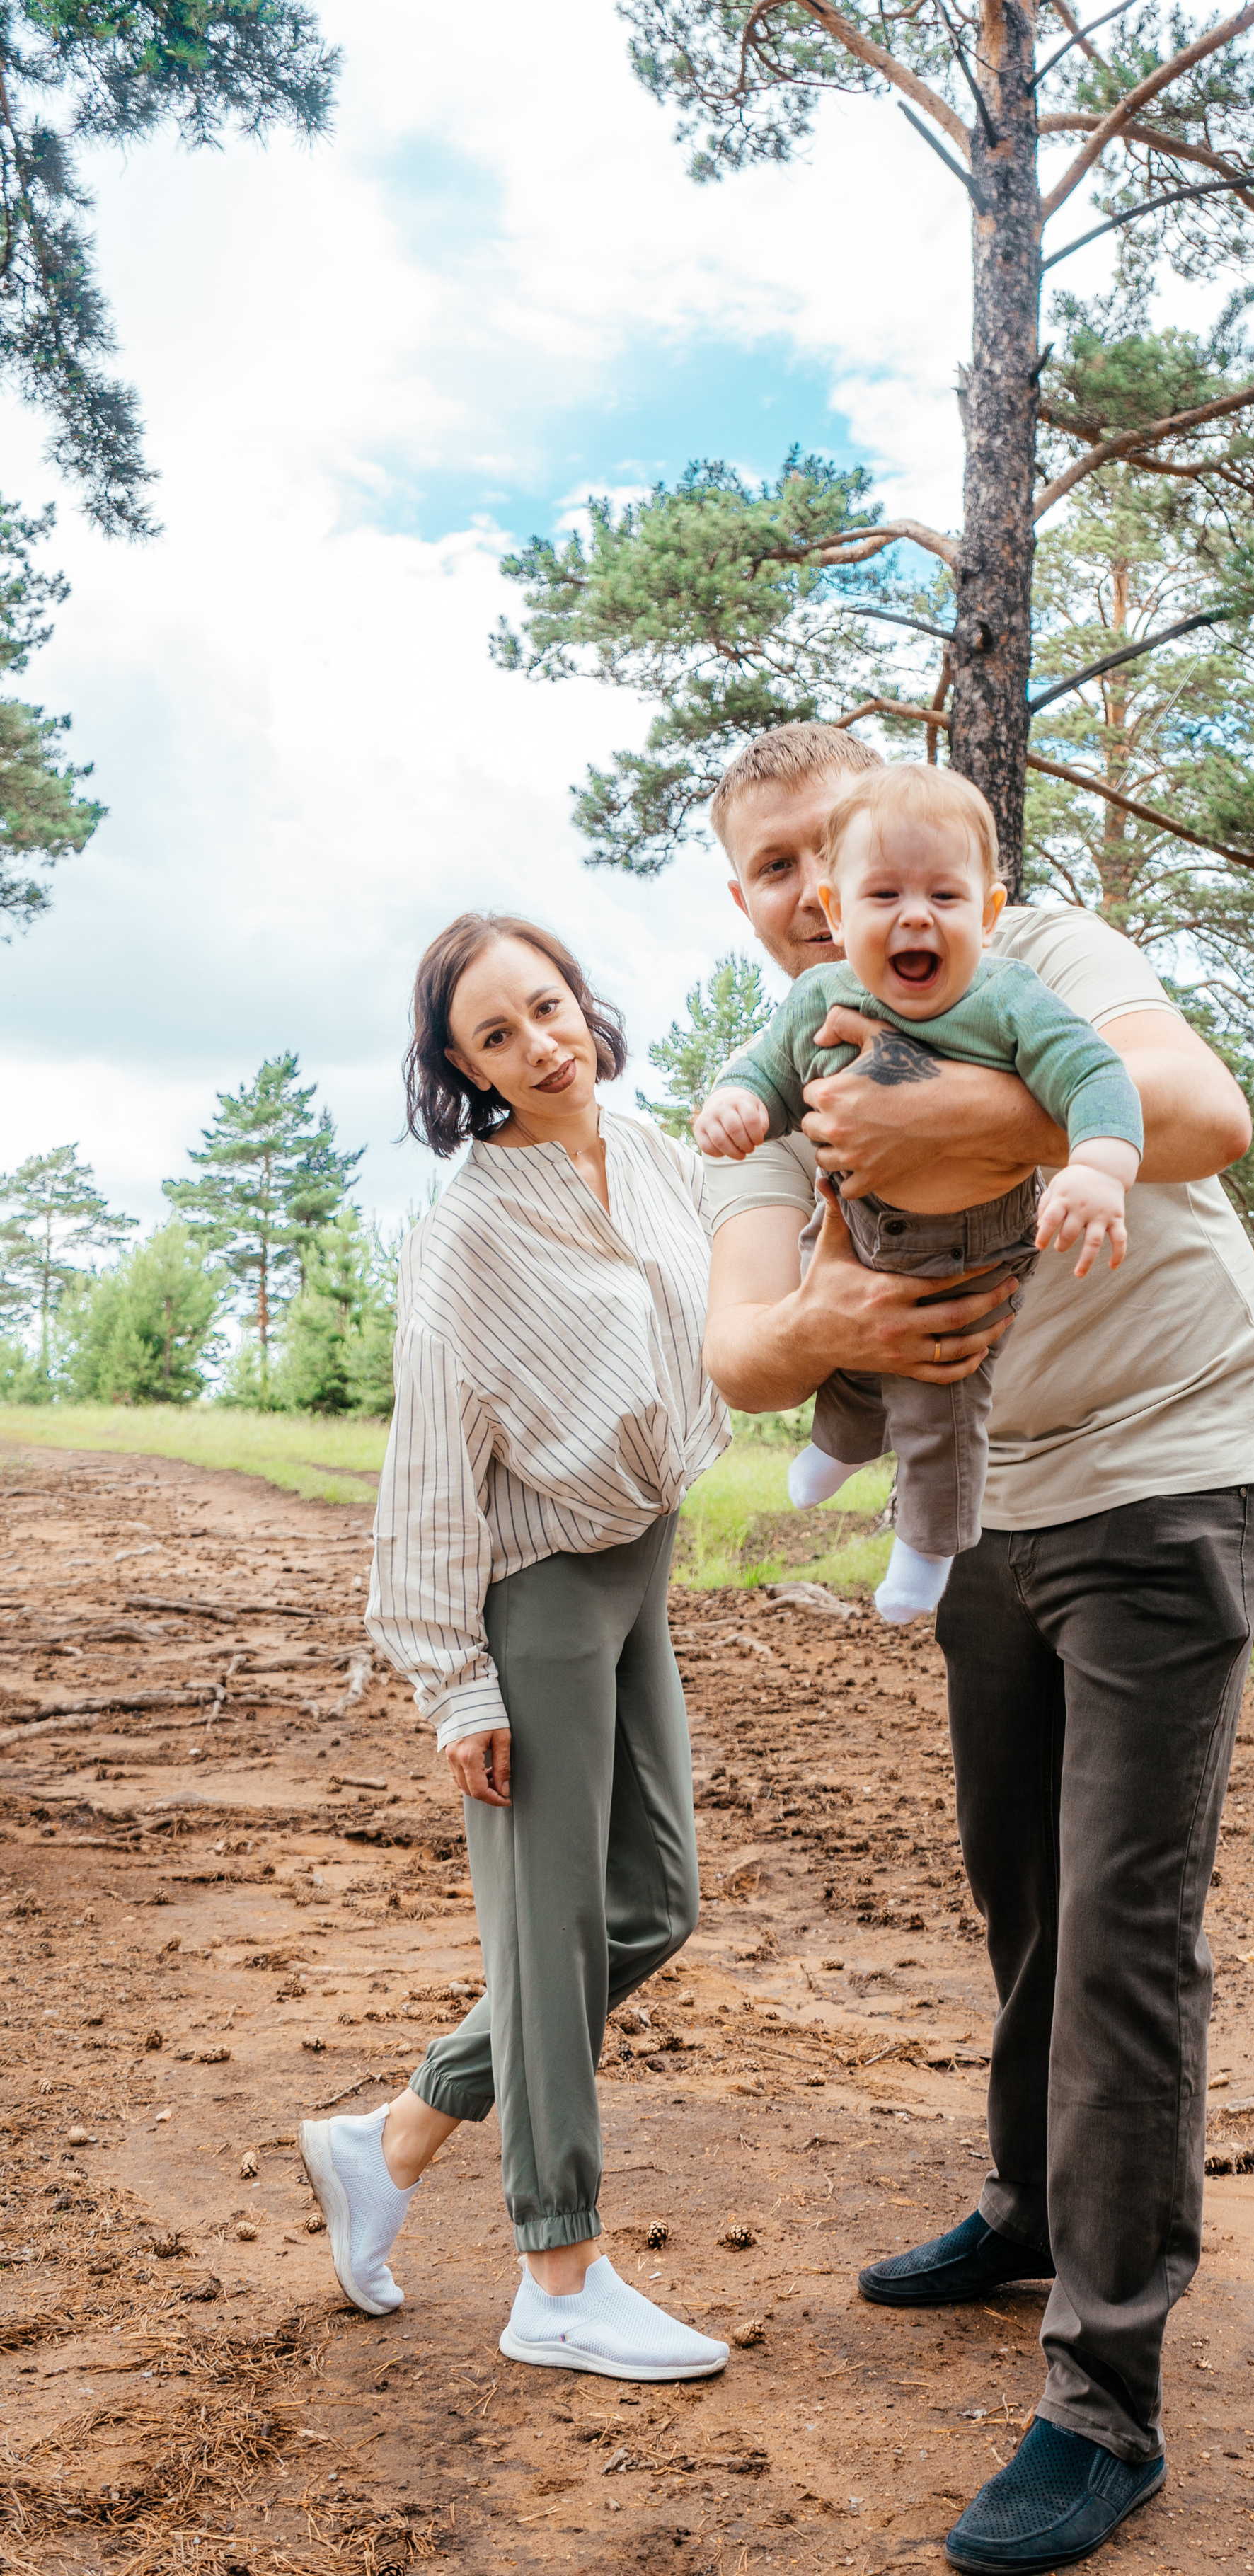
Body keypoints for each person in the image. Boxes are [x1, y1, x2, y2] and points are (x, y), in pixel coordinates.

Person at [701, 724, 1254, 2576]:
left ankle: (1104, 2403)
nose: (816, 892)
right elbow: (737, 1349)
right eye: (777, 868)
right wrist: (829, 1317)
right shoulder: (793, 1056)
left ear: (912, 852)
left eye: (836, 848)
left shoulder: (1048, 963)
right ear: (748, 903)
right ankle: (1030, 2205)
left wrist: (980, 1115)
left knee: (1120, 1925)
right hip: (984, 1511)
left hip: (1165, 1471)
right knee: (1019, 1894)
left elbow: (1201, 1112)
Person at [298, 911, 732, 2385]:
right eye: (497, 1035)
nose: (540, 1044)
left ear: (581, 1001)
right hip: (534, 1595)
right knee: (544, 1941)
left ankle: (395, 2134)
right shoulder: (468, 1229)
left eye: (546, 1007)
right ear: (460, 1069)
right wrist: (452, 1682)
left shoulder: (660, 1155)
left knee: (652, 1905)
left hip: (639, 1566)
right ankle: (557, 2270)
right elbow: (426, 1459)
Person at [695, 761, 1143, 1622]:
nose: (912, 914)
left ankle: (924, 1553)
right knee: (859, 1363)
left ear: (984, 908)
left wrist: (1092, 1164)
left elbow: (1107, 1077)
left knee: (941, 1399)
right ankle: (834, 1451)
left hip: (979, 1264)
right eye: (776, 865)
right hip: (868, 1245)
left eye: (940, 892)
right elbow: (767, 1073)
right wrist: (739, 1105)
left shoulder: (1013, 989)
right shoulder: (817, 997)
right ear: (838, 902)